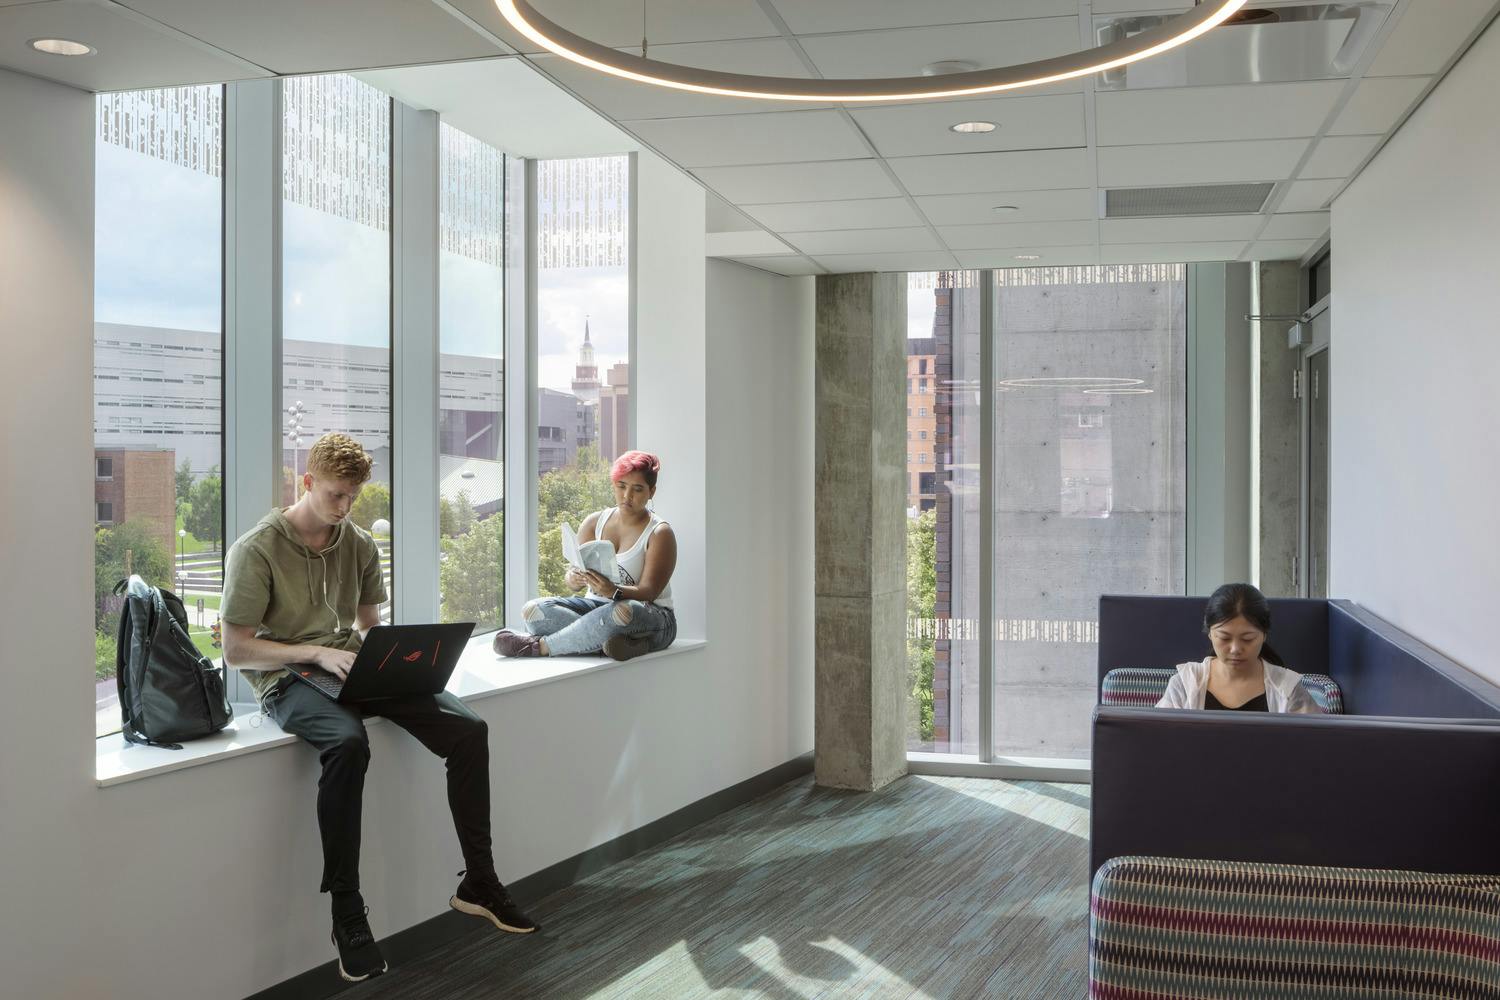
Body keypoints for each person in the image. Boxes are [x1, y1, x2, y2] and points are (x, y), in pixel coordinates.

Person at [220, 433, 537, 984]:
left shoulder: (359, 543)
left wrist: (400, 659)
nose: (344, 509)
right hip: (286, 677)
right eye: (336, 495)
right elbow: (235, 648)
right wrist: (314, 651)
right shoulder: (257, 548)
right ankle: (347, 908)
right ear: (308, 482)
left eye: (353, 498)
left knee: (468, 729)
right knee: (348, 743)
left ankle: (479, 881)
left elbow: (368, 626)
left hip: (350, 664)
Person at [494, 450, 677, 661]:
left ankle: (538, 647)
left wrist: (614, 591)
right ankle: (615, 645)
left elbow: (649, 592)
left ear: (651, 491)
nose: (627, 496)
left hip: (651, 618)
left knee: (622, 612)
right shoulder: (594, 522)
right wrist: (573, 578)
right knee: (534, 611)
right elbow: (573, 583)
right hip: (597, 610)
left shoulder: (660, 533)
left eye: (637, 489)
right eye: (621, 486)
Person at [1156, 583, 1317, 713]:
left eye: (1247, 639)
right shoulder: (1186, 684)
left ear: (1264, 635)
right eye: (1225, 638)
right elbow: (1158, 741)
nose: (1235, 649)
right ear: (1210, 633)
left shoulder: (1287, 689)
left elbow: (1319, 744)